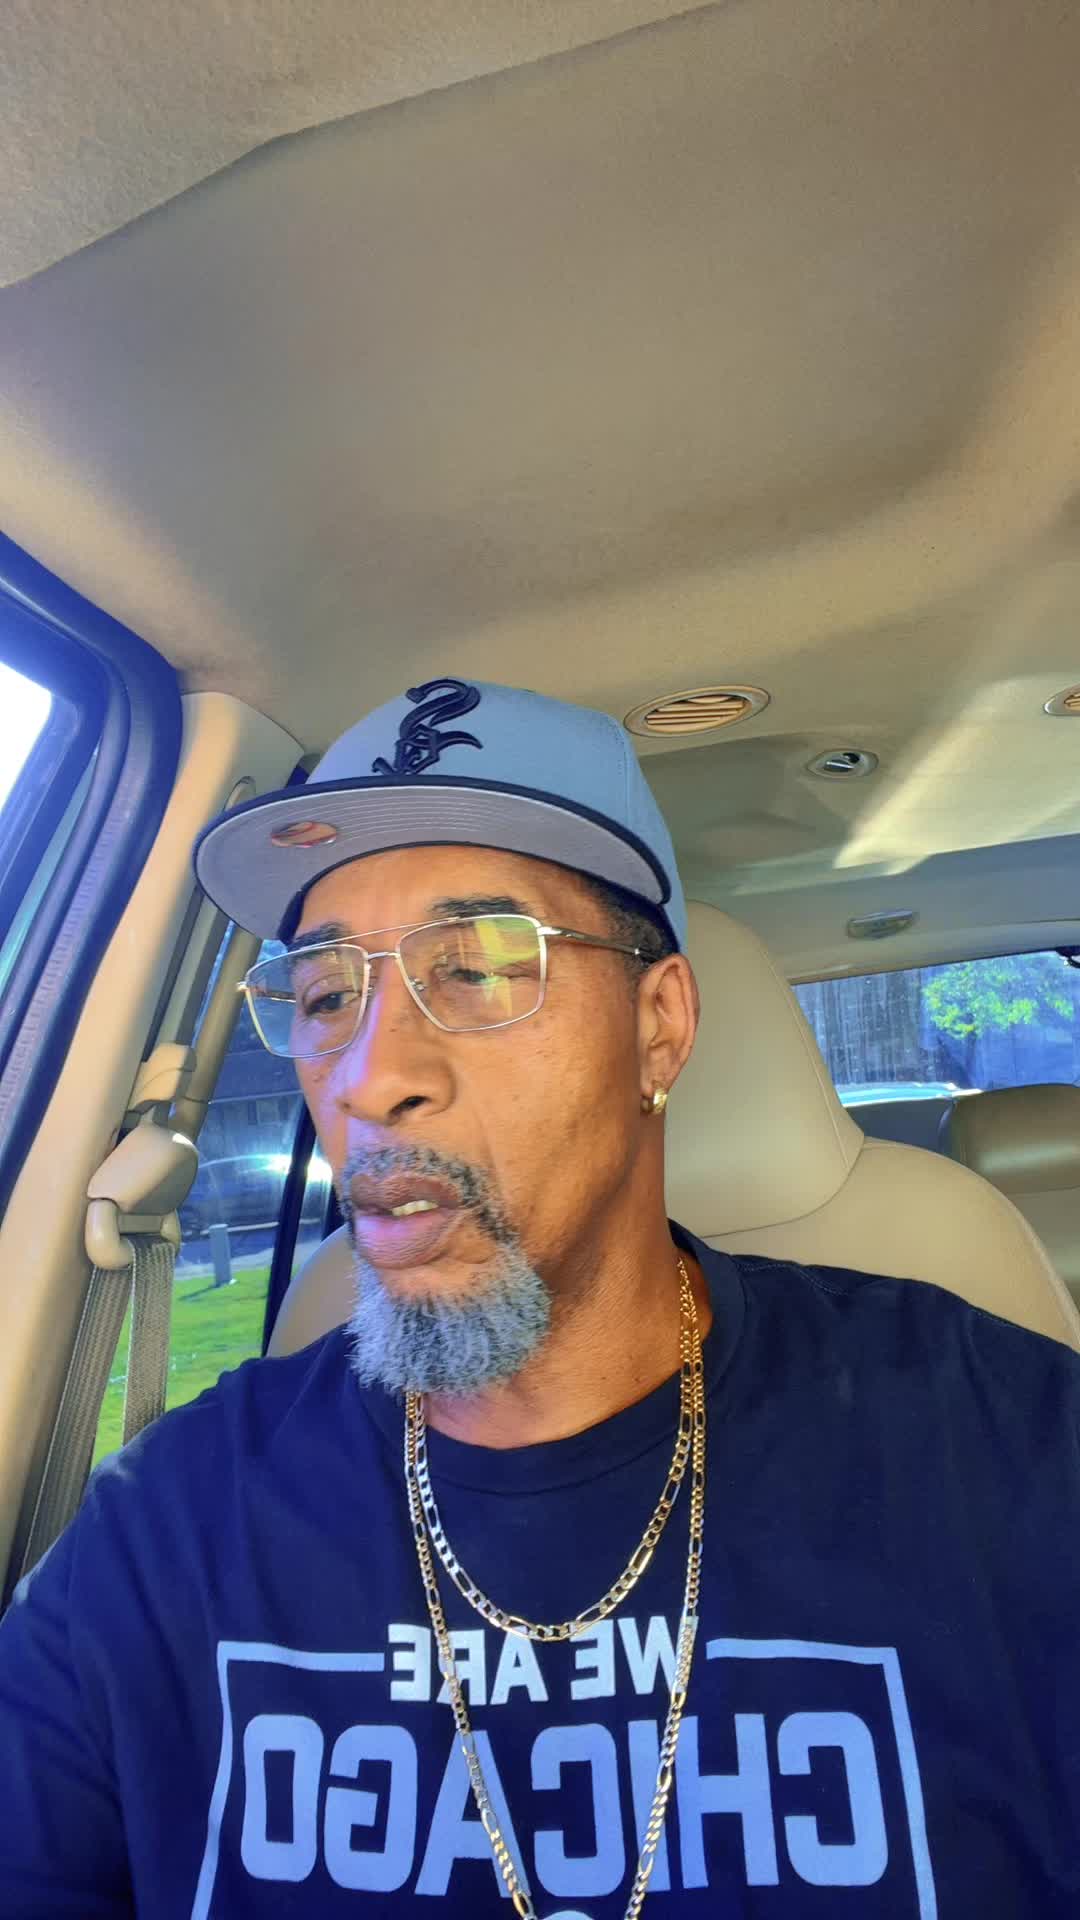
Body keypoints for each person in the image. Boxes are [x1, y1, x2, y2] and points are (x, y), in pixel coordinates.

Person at [0, 677, 1078, 1919]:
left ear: (659, 1028)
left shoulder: (1002, 1448)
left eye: (476, 967)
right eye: (328, 992)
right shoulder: (168, 1531)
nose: (371, 1076)